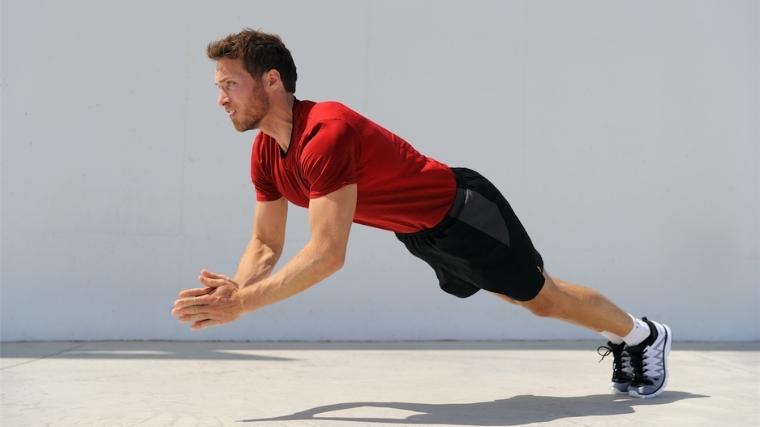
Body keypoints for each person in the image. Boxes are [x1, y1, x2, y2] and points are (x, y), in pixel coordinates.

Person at [171, 29, 672, 399]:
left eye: (229, 85)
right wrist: (236, 287)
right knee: (525, 297)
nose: (220, 99)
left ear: (272, 80)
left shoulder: (327, 133)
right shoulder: (264, 152)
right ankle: (630, 334)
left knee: (542, 299)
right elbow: (265, 244)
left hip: (466, 213)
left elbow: (326, 255)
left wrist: (243, 306)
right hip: (420, 235)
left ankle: (642, 334)